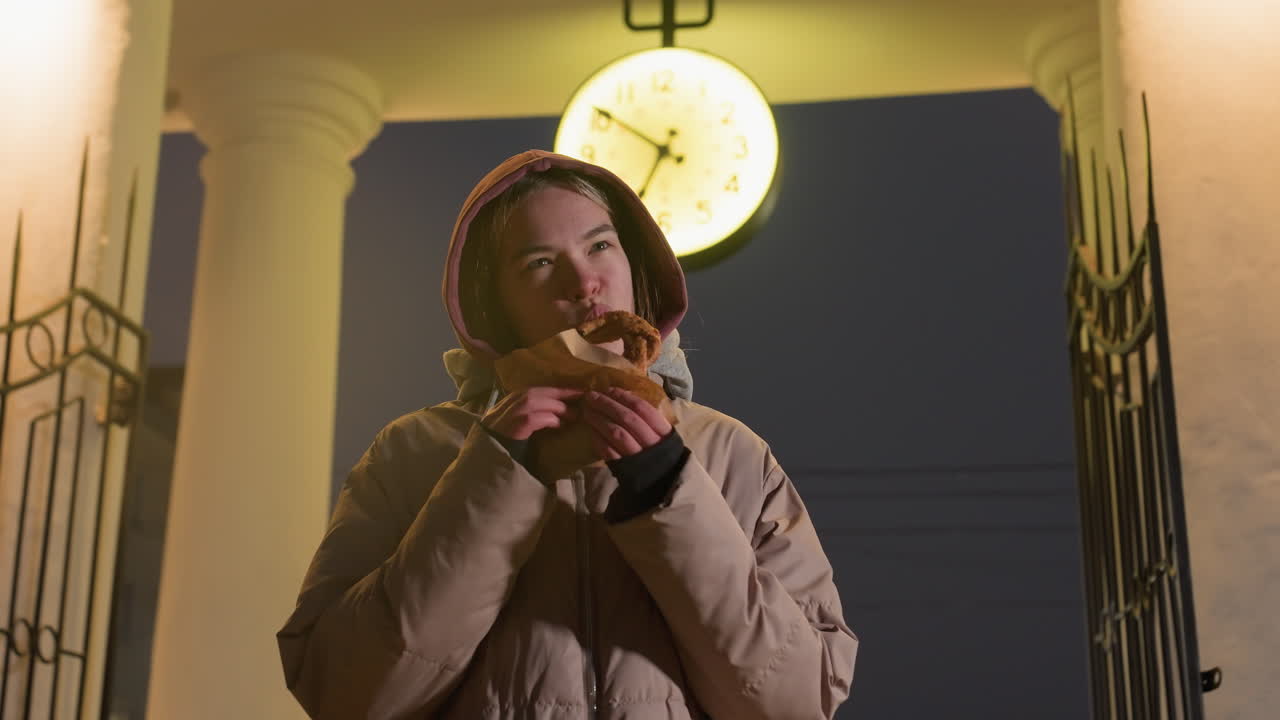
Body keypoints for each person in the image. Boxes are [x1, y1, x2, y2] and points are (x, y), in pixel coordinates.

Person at [277, 150, 857, 719]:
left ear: (638, 266)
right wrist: (492, 478)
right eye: (539, 263)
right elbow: (344, 695)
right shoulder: (414, 451)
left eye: (600, 246)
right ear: (492, 300)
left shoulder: (733, 454)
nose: (584, 283)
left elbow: (800, 702)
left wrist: (668, 489)